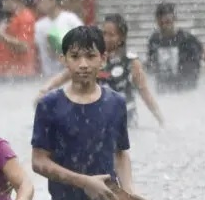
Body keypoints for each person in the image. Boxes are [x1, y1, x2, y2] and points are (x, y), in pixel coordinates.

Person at [31, 26, 134, 200]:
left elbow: (120, 154)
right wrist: (83, 181)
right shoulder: (49, 104)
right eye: (75, 57)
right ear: (64, 60)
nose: (83, 64)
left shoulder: (116, 103)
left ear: (103, 59)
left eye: (91, 56)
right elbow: (38, 161)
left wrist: (130, 193)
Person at [36, 14, 164, 128]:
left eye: (111, 35)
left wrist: (161, 120)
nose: (106, 38)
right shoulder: (92, 57)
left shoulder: (131, 62)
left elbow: (145, 93)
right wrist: (45, 90)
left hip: (125, 124)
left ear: (122, 38)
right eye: (104, 33)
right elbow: (65, 75)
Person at [146, 2, 205, 93]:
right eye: (161, 23)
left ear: (174, 19)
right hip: (164, 91)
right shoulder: (154, 40)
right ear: (157, 22)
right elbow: (151, 64)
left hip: (186, 90)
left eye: (168, 22)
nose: (165, 26)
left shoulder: (187, 38)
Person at [34, 0, 83, 77]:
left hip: (70, 74)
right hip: (48, 75)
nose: (40, 5)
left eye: (43, 1)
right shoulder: (39, 26)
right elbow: (38, 50)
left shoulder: (70, 19)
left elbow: (84, 41)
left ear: (54, 1)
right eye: (40, 2)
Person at [0, 0, 37, 78]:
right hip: (8, 73)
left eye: (5, 0)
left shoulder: (25, 17)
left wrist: (2, 35)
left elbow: (24, 46)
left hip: (19, 74)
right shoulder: (12, 17)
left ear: (14, 0)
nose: (3, 3)